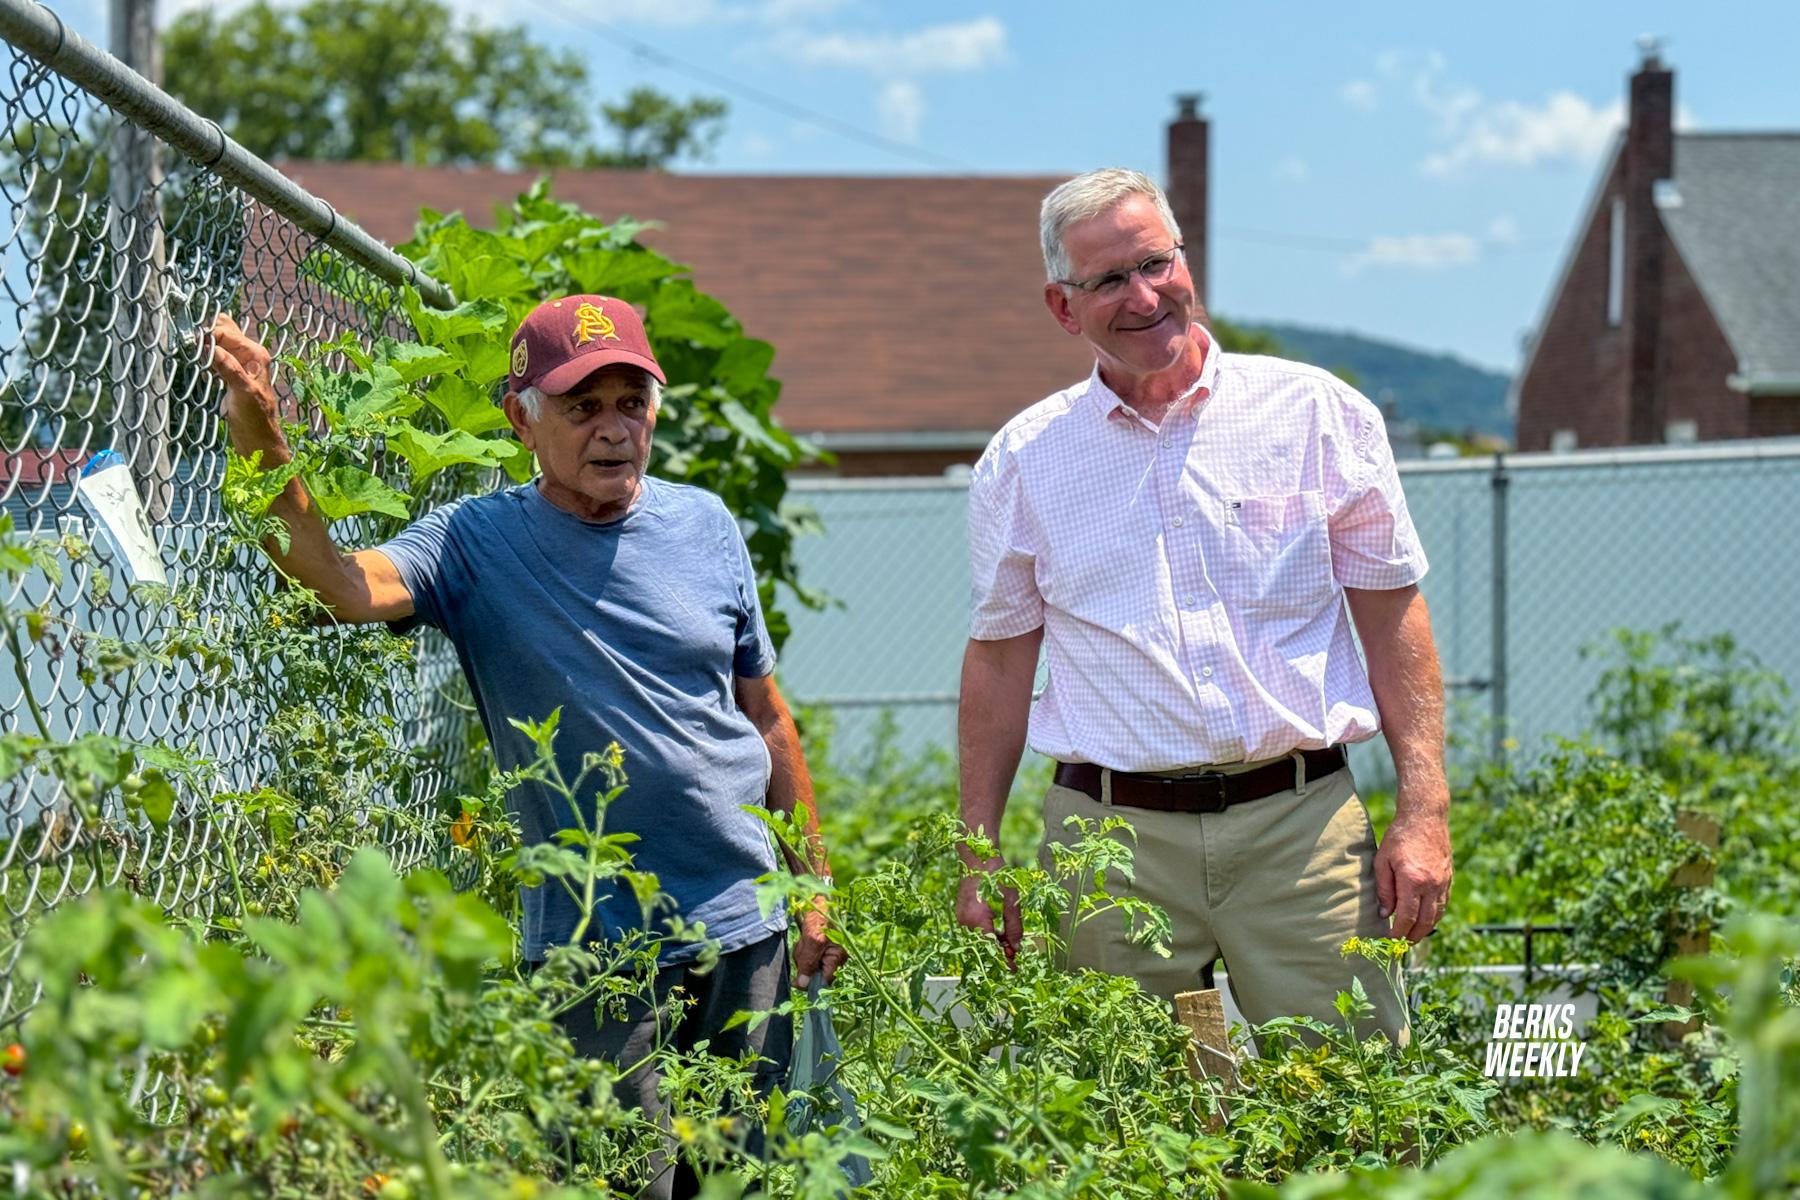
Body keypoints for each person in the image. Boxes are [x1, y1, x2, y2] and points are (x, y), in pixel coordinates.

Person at [207, 295, 843, 1198]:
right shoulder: (474, 543)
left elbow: (768, 717)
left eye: (633, 402)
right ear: (522, 418)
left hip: (747, 925)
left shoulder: (705, 524)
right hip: (596, 946)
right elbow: (342, 586)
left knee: (751, 1183)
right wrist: (262, 435)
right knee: (617, 1183)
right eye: (583, 407)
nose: (615, 431)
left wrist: (811, 885)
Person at [953, 169, 1451, 1042]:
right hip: (1109, 844)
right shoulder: (1026, 458)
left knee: (1354, 1109)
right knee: (1119, 1129)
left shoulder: (1315, 412)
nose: (1142, 295)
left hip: (1300, 829)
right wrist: (978, 848)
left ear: (1187, 262)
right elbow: (1000, 656)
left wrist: (1425, 808)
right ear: (1064, 308)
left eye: (1155, 263)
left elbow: (1391, 612)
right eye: (1108, 280)